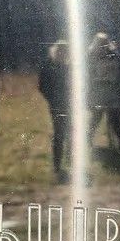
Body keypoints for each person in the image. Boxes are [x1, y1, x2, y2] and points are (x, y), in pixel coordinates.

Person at [87, 32, 120, 156]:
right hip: (98, 91)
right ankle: (87, 140)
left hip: (112, 90)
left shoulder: (115, 56)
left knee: (115, 118)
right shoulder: (91, 56)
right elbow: (87, 75)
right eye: (100, 42)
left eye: (105, 42)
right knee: (96, 117)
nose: (103, 45)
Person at [38, 41, 71, 183]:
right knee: (59, 134)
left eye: (65, 51)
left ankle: (71, 161)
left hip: (70, 104)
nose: (63, 54)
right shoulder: (48, 67)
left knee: (71, 133)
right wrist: (52, 99)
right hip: (56, 105)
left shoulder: (70, 66)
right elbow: (42, 86)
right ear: (56, 52)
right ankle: (57, 165)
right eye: (61, 51)